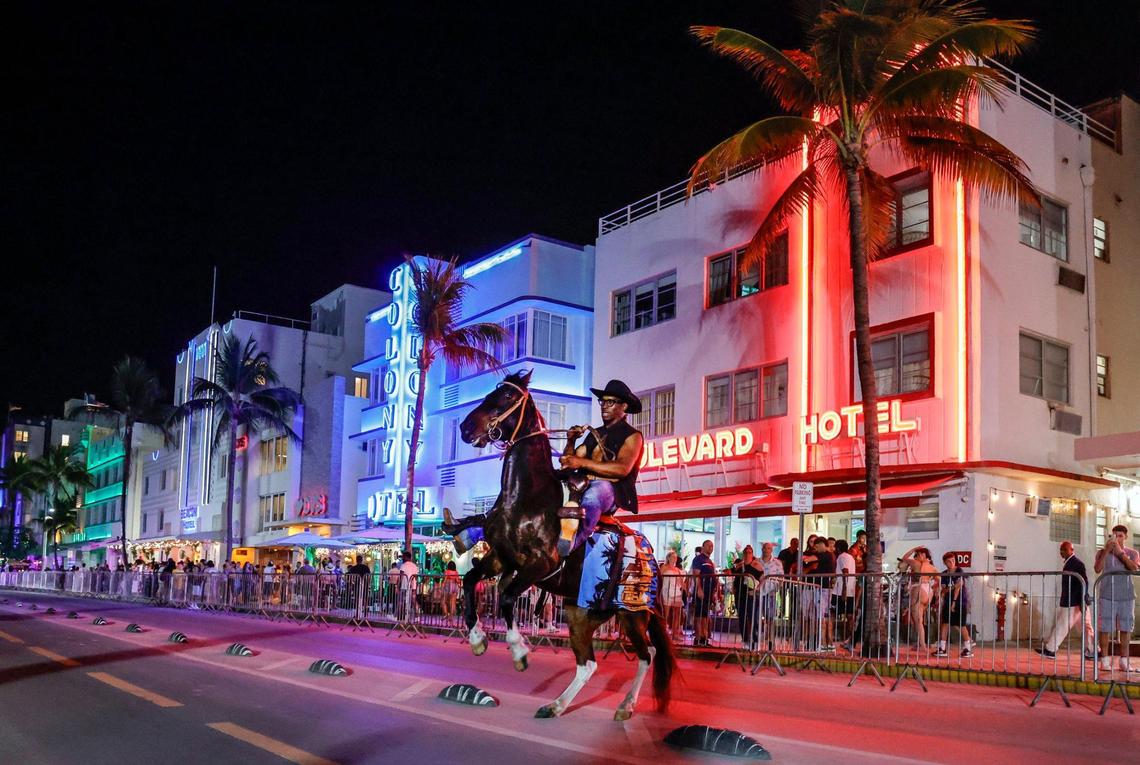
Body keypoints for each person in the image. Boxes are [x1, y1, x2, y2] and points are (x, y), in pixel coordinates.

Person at [557, 379, 645, 557]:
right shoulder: (594, 434)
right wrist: (571, 441)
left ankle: (571, 543)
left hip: (611, 491)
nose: (604, 406)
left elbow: (622, 468)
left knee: (596, 493)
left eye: (610, 402)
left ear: (624, 406)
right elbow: (568, 462)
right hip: (582, 485)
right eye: (602, 401)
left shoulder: (633, 436)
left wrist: (582, 463)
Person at [1093, 524, 1139, 672]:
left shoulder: (1132, 553)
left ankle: (1124, 661)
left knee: (1126, 627)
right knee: (1105, 627)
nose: (1117, 539)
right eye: (1114, 536)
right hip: (1107, 594)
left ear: (1125, 537)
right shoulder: (1102, 552)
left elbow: (1134, 568)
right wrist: (1107, 550)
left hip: (1126, 595)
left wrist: (1120, 553)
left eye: (1120, 536)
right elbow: (1097, 569)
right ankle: (1104, 660)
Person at [1039, 541, 1096, 659]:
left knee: (1063, 625)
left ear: (1072, 550)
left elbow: (1084, 582)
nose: (1062, 552)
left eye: (1064, 549)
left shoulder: (1076, 563)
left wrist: (1082, 599)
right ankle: (1093, 650)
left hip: (1073, 601)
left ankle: (1050, 649)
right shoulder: (1071, 563)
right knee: (1086, 627)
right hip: (1076, 601)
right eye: (1061, 549)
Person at [935, 551, 974, 658]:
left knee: (961, 624)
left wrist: (954, 602)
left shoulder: (959, 571)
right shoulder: (944, 574)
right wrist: (952, 588)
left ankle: (968, 648)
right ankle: (942, 648)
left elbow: (958, 588)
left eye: (953, 560)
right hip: (947, 601)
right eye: (948, 561)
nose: (951, 563)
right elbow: (944, 590)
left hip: (960, 601)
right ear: (945, 563)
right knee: (945, 623)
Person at [900, 546, 938, 651]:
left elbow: (904, 558)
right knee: (919, 620)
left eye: (921, 553)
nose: (919, 555)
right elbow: (939, 579)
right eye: (918, 554)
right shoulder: (931, 567)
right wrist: (935, 589)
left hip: (918, 589)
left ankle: (923, 645)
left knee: (918, 620)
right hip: (928, 591)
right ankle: (920, 643)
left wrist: (913, 549)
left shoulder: (915, 563)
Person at [801, 536, 835, 650]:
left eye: (817, 545)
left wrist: (805, 557)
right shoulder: (827, 555)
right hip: (821, 588)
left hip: (822, 589)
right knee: (823, 616)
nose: (816, 548)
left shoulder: (825, 555)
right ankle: (826, 643)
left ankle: (824, 643)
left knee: (822, 617)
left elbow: (807, 559)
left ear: (822, 544)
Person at [730, 545, 764, 650]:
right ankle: (745, 640)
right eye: (745, 553)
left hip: (751, 595)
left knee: (753, 618)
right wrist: (734, 588)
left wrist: (756, 590)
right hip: (740, 595)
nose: (747, 555)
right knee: (742, 618)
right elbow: (735, 578)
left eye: (749, 553)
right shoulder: (740, 565)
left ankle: (755, 641)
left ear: (752, 554)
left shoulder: (757, 565)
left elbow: (763, 579)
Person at [757, 543, 784, 651]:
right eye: (765, 548)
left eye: (768, 548)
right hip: (758, 593)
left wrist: (776, 589)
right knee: (757, 618)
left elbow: (781, 578)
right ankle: (756, 641)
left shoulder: (777, 563)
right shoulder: (757, 561)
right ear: (762, 549)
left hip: (770, 593)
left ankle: (771, 642)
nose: (766, 550)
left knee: (770, 619)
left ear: (771, 550)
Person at [690, 540, 717, 647]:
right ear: (703, 547)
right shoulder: (699, 559)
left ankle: (704, 637)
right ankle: (698, 637)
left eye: (712, 546)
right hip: (702, 591)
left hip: (708, 591)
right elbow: (696, 574)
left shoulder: (709, 561)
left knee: (705, 614)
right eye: (709, 545)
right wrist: (699, 589)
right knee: (699, 614)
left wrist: (713, 592)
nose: (711, 547)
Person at [832, 540, 857, 648]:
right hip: (850, 590)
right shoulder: (851, 557)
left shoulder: (842, 557)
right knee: (849, 615)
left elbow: (845, 571)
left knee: (832, 613)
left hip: (840, 590)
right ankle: (849, 639)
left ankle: (831, 637)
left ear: (838, 548)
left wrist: (844, 589)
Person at [659, 550, 685, 640]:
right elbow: (659, 578)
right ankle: (663, 633)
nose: (675, 559)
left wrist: (686, 590)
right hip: (666, 592)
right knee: (665, 614)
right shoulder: (664, 567)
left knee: (677, 614)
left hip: (676, 592)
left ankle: (675, 634)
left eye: (676, 557)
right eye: (673, 557)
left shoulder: (677, 569)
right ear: (668, 558)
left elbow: (681, 582)